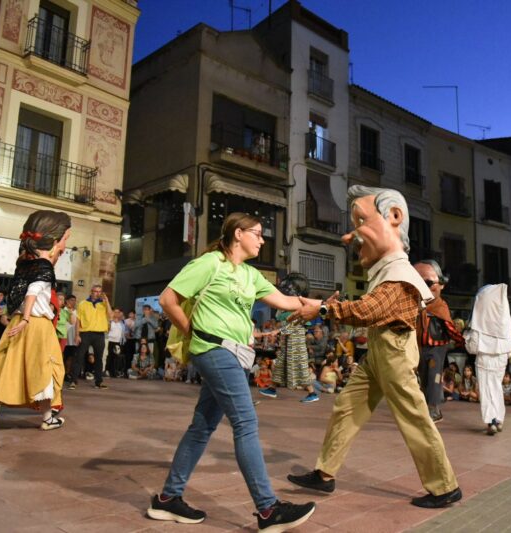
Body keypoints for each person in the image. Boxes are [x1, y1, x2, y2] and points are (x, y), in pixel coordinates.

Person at [287, 185, 461, 509]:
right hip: (380, 351)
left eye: (361, 221)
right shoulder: (387, 271)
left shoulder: (400, 273)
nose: (351, 235)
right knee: (347, 408)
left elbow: (370, 310)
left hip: (393, 352)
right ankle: (324, 474)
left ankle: (444, 487)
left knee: (415, 418)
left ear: (394, 217)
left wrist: (323, 309)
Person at [147, 212, 316, 529]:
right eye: (258, 233)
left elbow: (284, 301)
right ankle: (268, 509)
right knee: (245, 422)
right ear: (238, 234)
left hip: (236, 354)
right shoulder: (209, 264)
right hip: (214, 350)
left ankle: (168, 499)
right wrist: (191, 332)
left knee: (202, 427)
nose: (263, 240)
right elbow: (167, 299)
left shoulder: (250, 275)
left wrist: (320, 304)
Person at [0, 210, 71, 440]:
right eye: (66, 238)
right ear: (55, 241)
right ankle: (48, 419)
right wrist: (27, 318)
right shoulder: (45, 266)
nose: (65, 246)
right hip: (36, 325)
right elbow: (33, 293)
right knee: (47, 371)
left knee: (9, 369)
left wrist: (17, 317)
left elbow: (20, 293)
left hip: (17, 323)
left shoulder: (24, 265)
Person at [414, 259, 464, 423]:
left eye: (428, 282)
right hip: (420, 348)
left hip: (436, 348)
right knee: (423, 377)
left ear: (441, 285)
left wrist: (461, 341)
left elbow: (449, 327)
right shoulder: (416, 306)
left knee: (434, 376)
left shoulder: (440, 307)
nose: (424, 287)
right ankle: (426, 406)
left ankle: (434, 408)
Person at [464, 282, 511, 436]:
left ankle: (491, 420)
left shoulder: (479, 321)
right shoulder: (504, 321)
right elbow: (510, 347)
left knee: (486, 389)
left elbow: (471, 348)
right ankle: (499, 419)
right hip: (500, 357)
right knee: (496, 387)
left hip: (485, 357)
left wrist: (466, 337)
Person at [260, 273, 319, 403]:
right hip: (288, 341)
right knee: (281, 364)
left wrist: (277, 331)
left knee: (300, 367)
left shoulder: (300, 305)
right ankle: (272, 388)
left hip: (296, 342)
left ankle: (312, 393)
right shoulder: (290, 304)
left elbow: (294, 325)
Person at [73, 285, 111, 389]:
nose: (98, 293)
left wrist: (107, 301)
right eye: (95, 291)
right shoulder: (83, 304)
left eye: (100, 292)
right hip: (85, 333)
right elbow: (78, 321)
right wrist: (77, 335)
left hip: (99, 334)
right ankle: (74, 380)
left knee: (99, 358)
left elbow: (111, 315)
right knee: (79, 357)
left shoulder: (103, 304)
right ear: (91, 291)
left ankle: (98, 382)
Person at [107, 308, 126, 378]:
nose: (117, 313)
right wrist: (111, 320)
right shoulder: (110, 321)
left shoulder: (121, 323)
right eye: (115, 312)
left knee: (116, 357)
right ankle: (107, 370)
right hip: (110, 341)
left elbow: (123, 333)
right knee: (109, 356)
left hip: (118, 342)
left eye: (118, 312)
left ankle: (114, 371)